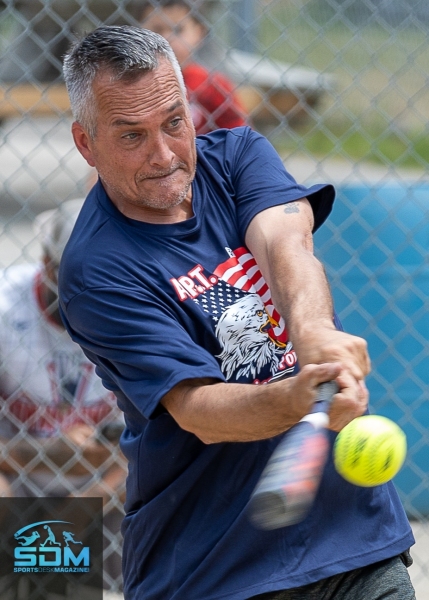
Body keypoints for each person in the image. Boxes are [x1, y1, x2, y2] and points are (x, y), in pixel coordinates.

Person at [60, 25, 415, 600]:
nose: (165, 155)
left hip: (350, 535)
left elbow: (285, 247)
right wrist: (298, 396)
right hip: (215, 566)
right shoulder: (97, 268)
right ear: (86, 143)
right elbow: (200, 410)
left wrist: (316, 337)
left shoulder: (238, 157)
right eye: (132, 136)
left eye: (175, 122)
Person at [0, 199, 126, 590]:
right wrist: (36, 453)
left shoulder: (137, 311)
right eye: (72, 277)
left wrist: (82, 506)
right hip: (16, 482)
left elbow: (156, 446)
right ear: (47, 262)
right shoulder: (6, 308)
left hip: (107, 491)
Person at [138, 0, 249, 134]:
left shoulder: (211, 84)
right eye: (157, 29)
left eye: (178, 30)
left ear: (199, 32)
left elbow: (240, 132)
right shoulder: (132, 82)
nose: (166, 38)